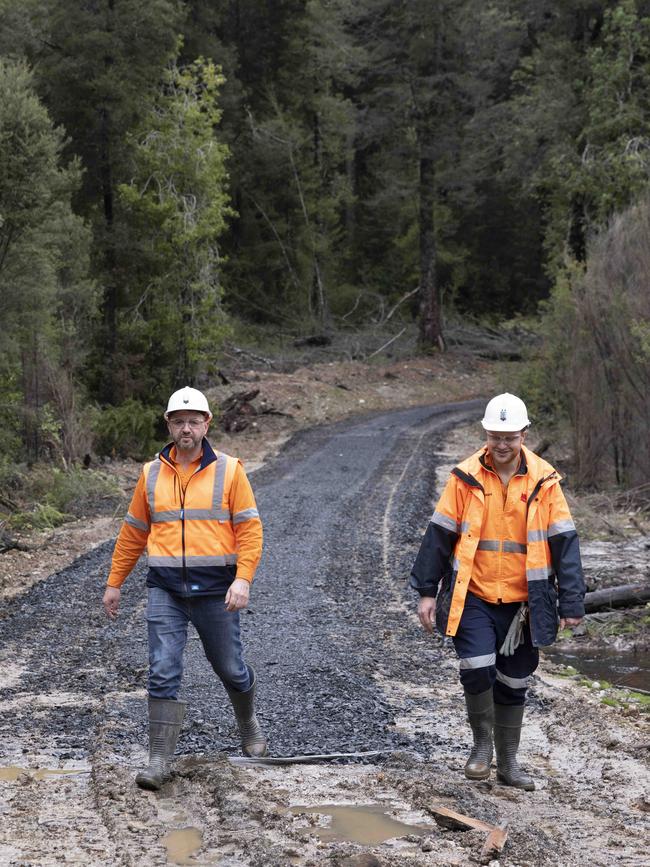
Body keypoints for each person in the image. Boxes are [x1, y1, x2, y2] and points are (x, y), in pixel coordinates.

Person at [411, 393, 584, 791]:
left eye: (510, 437)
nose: (502, 445)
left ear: (524, 434)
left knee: (515, 681)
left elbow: (565, 543)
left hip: (526, 601)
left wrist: (571, 601)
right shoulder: (465, 477)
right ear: (485, 434)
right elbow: (438, 535)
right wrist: (425, 591)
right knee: (477, 667)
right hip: (474, 593)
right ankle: (481, 749)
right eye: (494, 436)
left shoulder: (545, 480)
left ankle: (508, 763)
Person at [102, 386, 266, 790]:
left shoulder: (230, 470)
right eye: (179, 421)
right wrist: (114, 582)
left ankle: (247, 722)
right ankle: (159, 759)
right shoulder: (151, 473)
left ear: (207, 424)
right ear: (169, 425)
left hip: (216, 592)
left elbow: (250, 530)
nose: (186, 428)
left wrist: (243, 578)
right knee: (162, 669)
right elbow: (134, 532)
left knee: (230, 667)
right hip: (166, 590)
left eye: (194, 421)